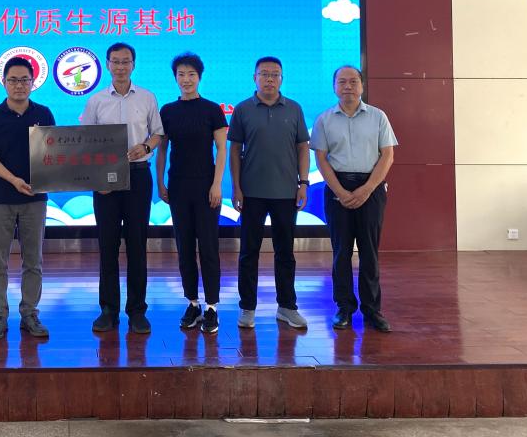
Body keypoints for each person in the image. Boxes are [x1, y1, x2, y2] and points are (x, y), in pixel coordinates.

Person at [80, 42, 163, 334]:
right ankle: (108, 310)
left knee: (137, 245)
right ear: (107, 64)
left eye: (125, 61)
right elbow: (84, 141)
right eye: (115, 61)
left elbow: (158, 134)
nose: (120, 67)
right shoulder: (96, 100)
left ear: (133, 64)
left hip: (138, 176)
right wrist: (96, 179)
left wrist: (146, 147)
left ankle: (137, 310)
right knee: (108, 245)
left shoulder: (147, 97)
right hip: (105, 180)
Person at [311, 65, 397, 333]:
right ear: (334, 86)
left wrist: (367, 189)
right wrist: (340, 191)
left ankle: (372, 310)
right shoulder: (324, 119)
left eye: (353, 81)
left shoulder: (378, 117)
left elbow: (387, 155)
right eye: (342, 81)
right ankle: (344, 308)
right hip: (337, 187)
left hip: (371, 187)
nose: (347, 86)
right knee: (341, 252)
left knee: (369, 252)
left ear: (362, 85)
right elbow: (321, 159)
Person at [228, 56, 310, 331]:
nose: (270, 79)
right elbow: (234, 151)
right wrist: (236, 187)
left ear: (282, 79)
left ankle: (287, 306)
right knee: (248, 252)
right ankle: (247, 307)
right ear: (254, 78)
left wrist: (303, 183)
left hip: (286, 192)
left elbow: (302, 147)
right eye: (264, 74)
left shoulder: (294, 109)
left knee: (285, 252)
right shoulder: (242, 109)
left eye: (275, 74)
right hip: (251, 193)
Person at [0, 56, 55, 340]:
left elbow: (53, 152)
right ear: (4, 82)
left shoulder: (44, 113)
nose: (19, 85)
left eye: (24, 80)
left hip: (35, 197)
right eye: (13, 80)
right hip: (0, 197)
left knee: (33, 260)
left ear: (33, 82)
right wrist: (13, 180)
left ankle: (30, 313)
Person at [155, 52, 228, 334]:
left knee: (208, 247)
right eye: (181, 75)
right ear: (175, 78)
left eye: (191, 75)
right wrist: (161, 183)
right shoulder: (168, 111)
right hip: (178, 186)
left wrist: (217, 184)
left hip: (206, 186)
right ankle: (193, 303)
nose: (186, 80)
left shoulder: (212, 110)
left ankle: (212, 307)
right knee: (184, 247)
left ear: (200, 77)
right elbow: (162, 150)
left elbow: (221, 149)